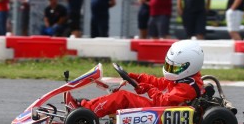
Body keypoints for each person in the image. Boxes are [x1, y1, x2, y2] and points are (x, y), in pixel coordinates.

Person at [67, 40, 205, 118]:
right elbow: (160, 83)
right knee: (118, 95)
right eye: (170, 65)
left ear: (190, 66)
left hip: (163, 113)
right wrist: (138, 78)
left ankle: (85, 113)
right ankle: (84, 106)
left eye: (175, 68)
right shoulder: (186, 78)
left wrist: (148, 88)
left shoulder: (187, 87)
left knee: (123, 97)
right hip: (163, 109)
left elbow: (163, 101)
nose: (170, 71)